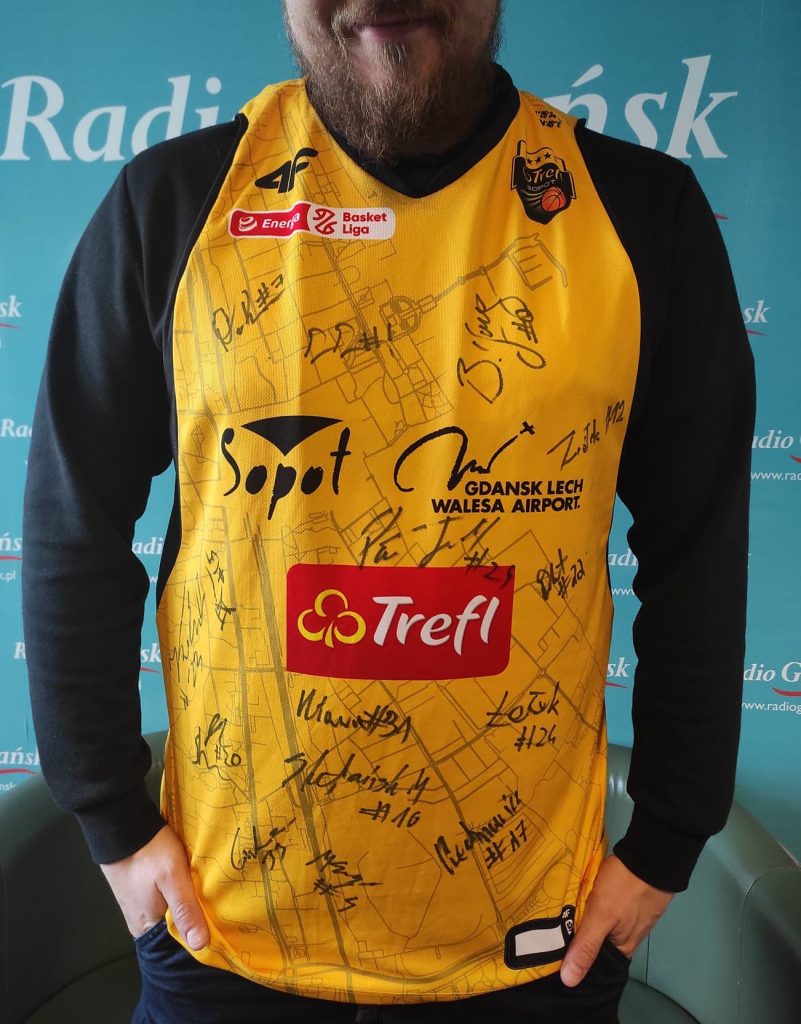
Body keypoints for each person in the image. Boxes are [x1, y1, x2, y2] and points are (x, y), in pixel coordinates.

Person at [22, 1, 755, 1022]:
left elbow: (698, 552)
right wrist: (112, 819)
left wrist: (668, 839)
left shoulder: (640, 211)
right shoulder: (175, 201)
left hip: (533, 944)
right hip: (224, 937)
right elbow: (74, 523)